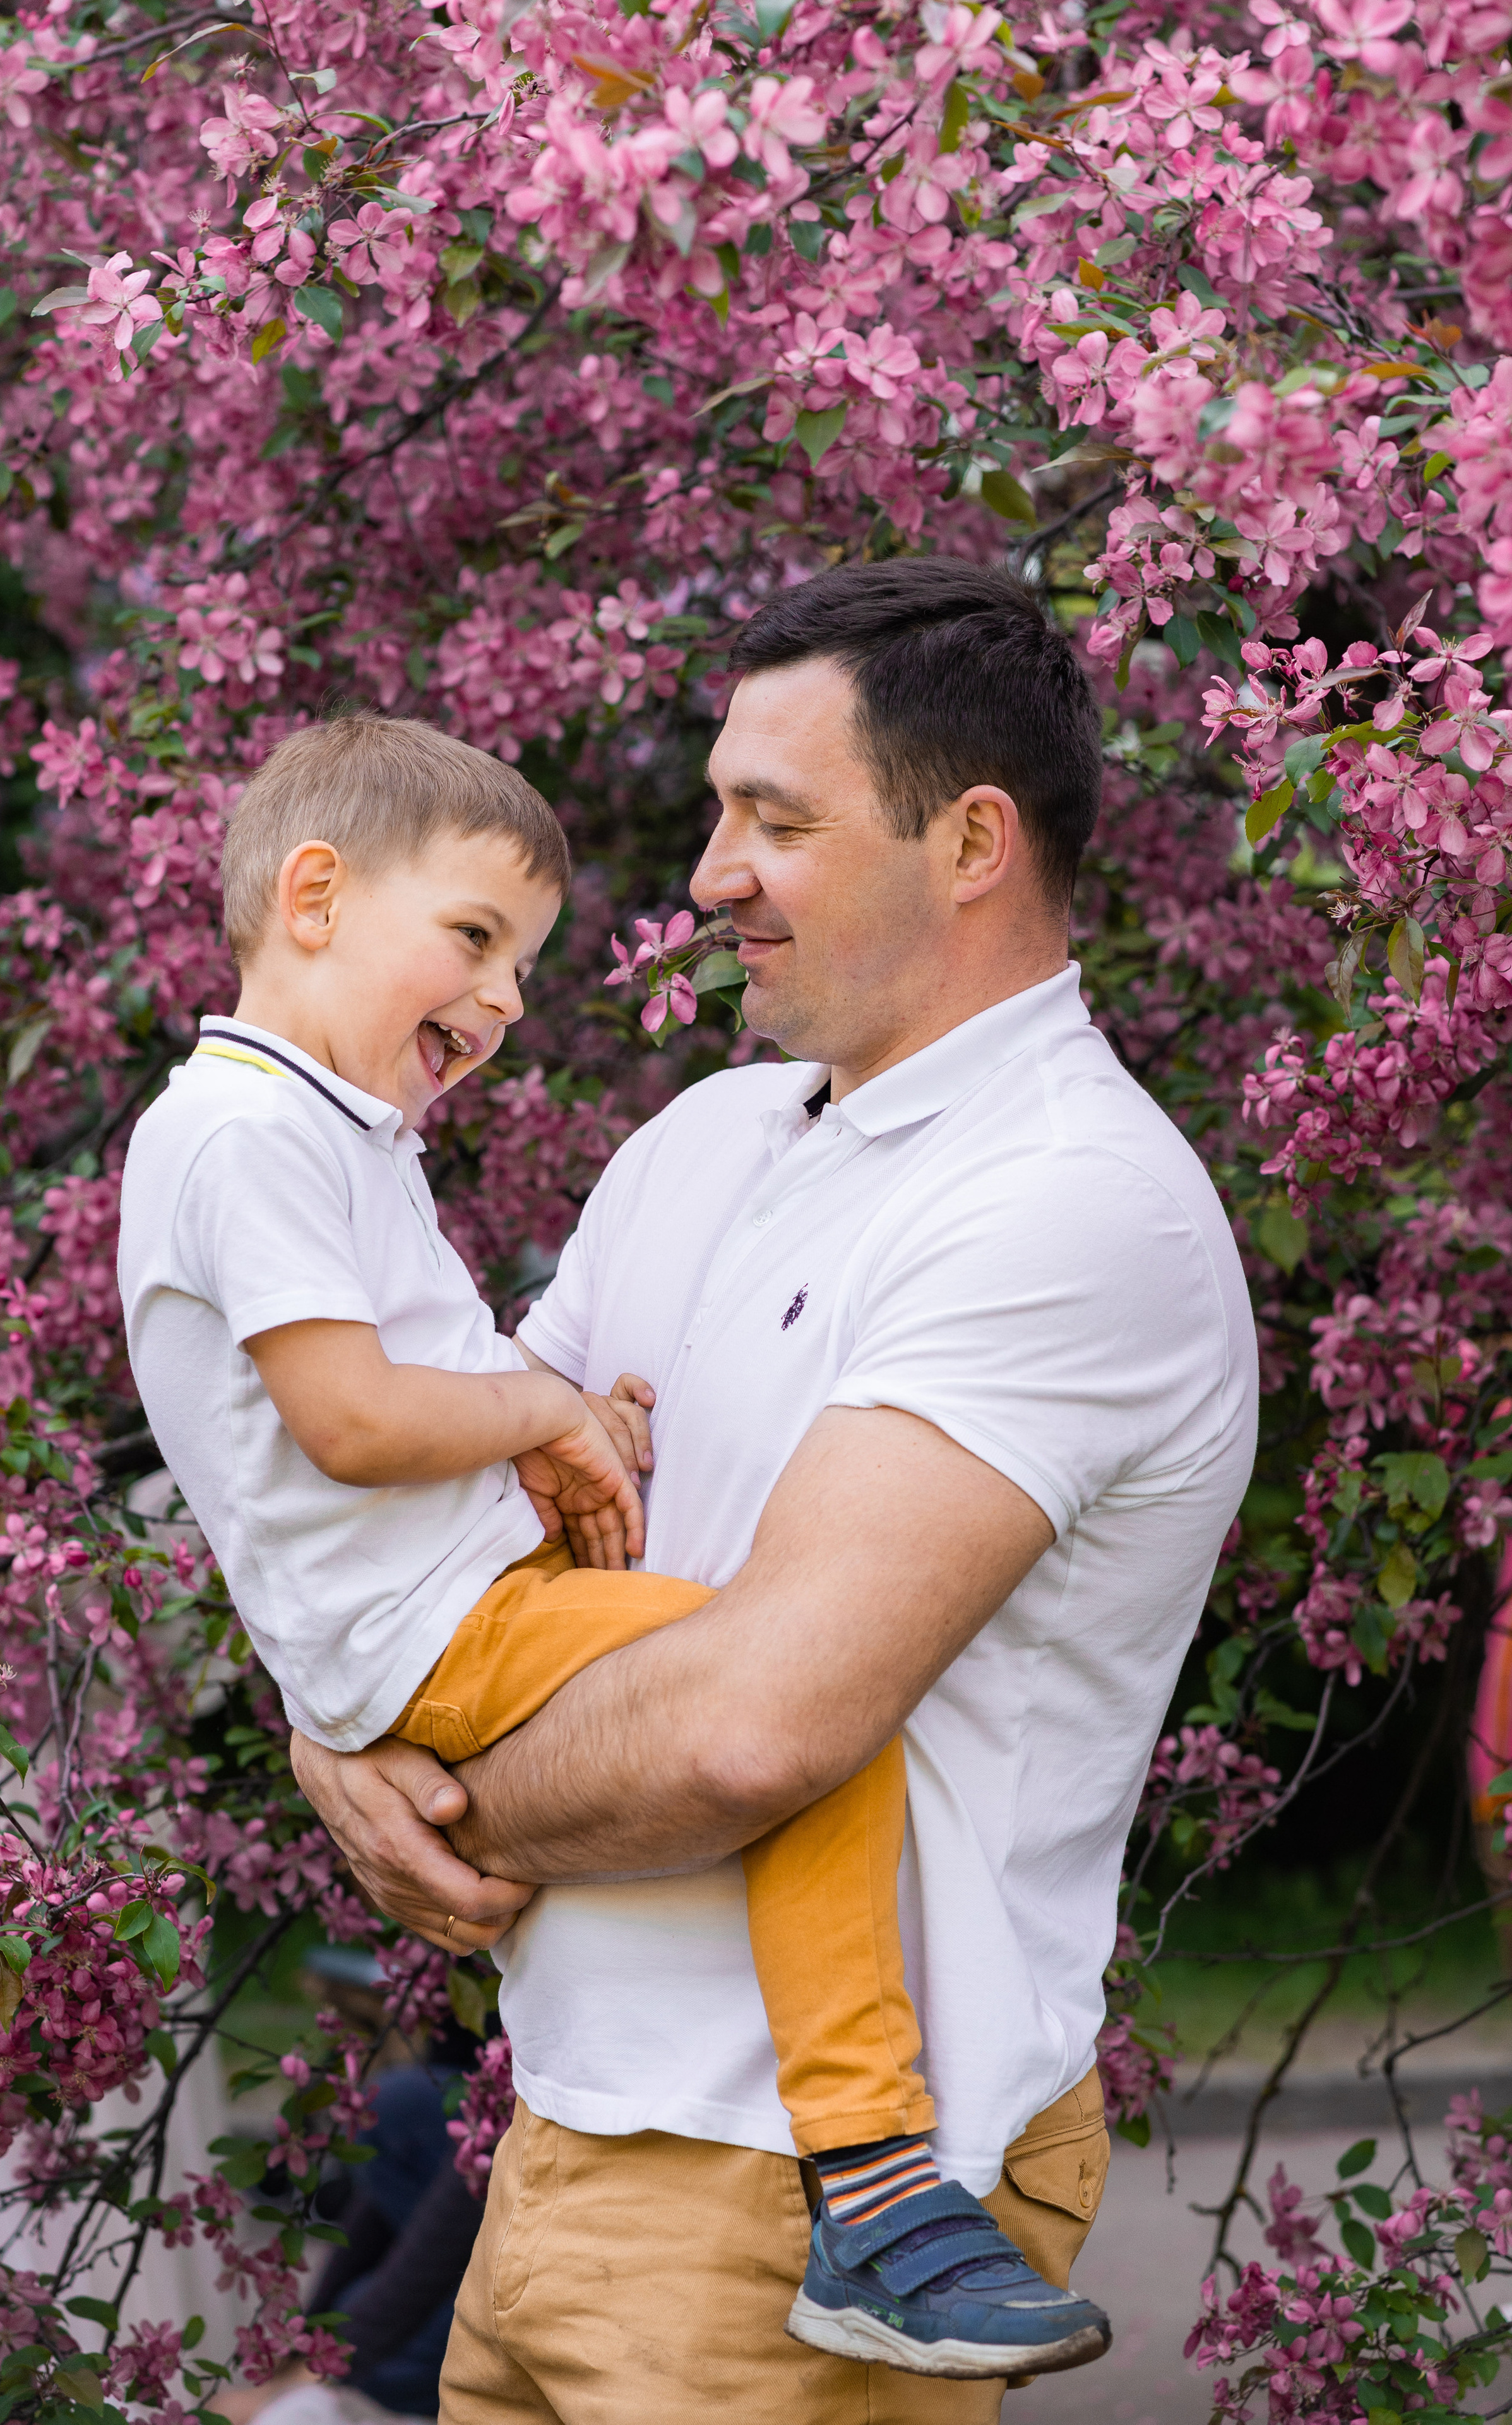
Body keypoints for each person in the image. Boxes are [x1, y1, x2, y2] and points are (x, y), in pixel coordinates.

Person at [289, 559, 1261, 2425]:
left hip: (823, 2209)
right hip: (572, 2122)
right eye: (722, 809)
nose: (709, 876)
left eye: (776, 820)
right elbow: (443, 1533)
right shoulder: (711, 1135)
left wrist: (420, 1805)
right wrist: (341, 1728)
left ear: (971, 841)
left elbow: (759, 1727)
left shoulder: (1062, 1203)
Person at [116, 710, 1110, 2389]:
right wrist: (542, 1416)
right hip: (454, 1635)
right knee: (815, 1722)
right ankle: (873, 2178)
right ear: (312, 898)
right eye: (476, 940)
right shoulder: (246, 1137)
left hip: (451, 1620)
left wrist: (553, 1422)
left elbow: (372, 1429)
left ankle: (865, 2177)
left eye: (525, 964)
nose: (504, 1001)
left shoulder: (306, 1132)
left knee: (775, 1699)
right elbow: (353, 1419)